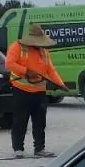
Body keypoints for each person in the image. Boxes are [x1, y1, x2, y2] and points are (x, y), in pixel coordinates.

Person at [4, 24, 66, 159]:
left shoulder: (44, 52)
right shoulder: (17, 47)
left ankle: (39, 148)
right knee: (20, 120)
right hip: (21, 90)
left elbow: (50, 70)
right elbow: (9, 64)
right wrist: (26, 71)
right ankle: (18, 149)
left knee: (40, 122)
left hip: (39, 91)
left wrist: (60, 84)